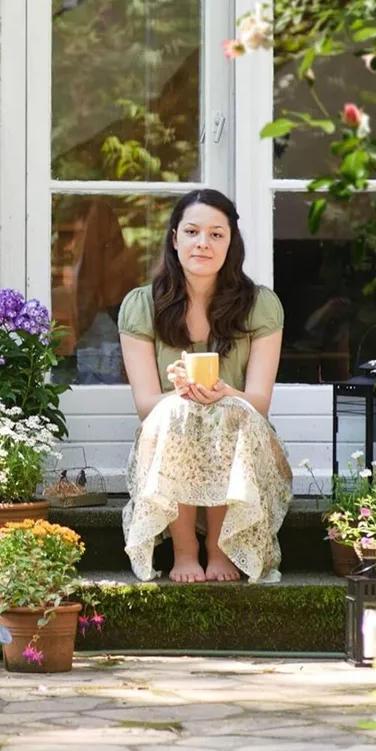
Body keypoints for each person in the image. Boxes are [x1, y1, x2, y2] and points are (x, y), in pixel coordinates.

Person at [117, 189, 293, 583]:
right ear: (175, 238)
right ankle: (184, 551)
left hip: (244, 439)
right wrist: (183, 394)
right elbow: (146, 405)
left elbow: (259, 403)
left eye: (217, 234)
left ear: (231, 243)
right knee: (178, 410)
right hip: (167, 436)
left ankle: (220, 547)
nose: (203, 243)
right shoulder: (142, 305)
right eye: (193, 232)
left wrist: (224, 393)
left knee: (227, 411)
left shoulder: (260, 305)